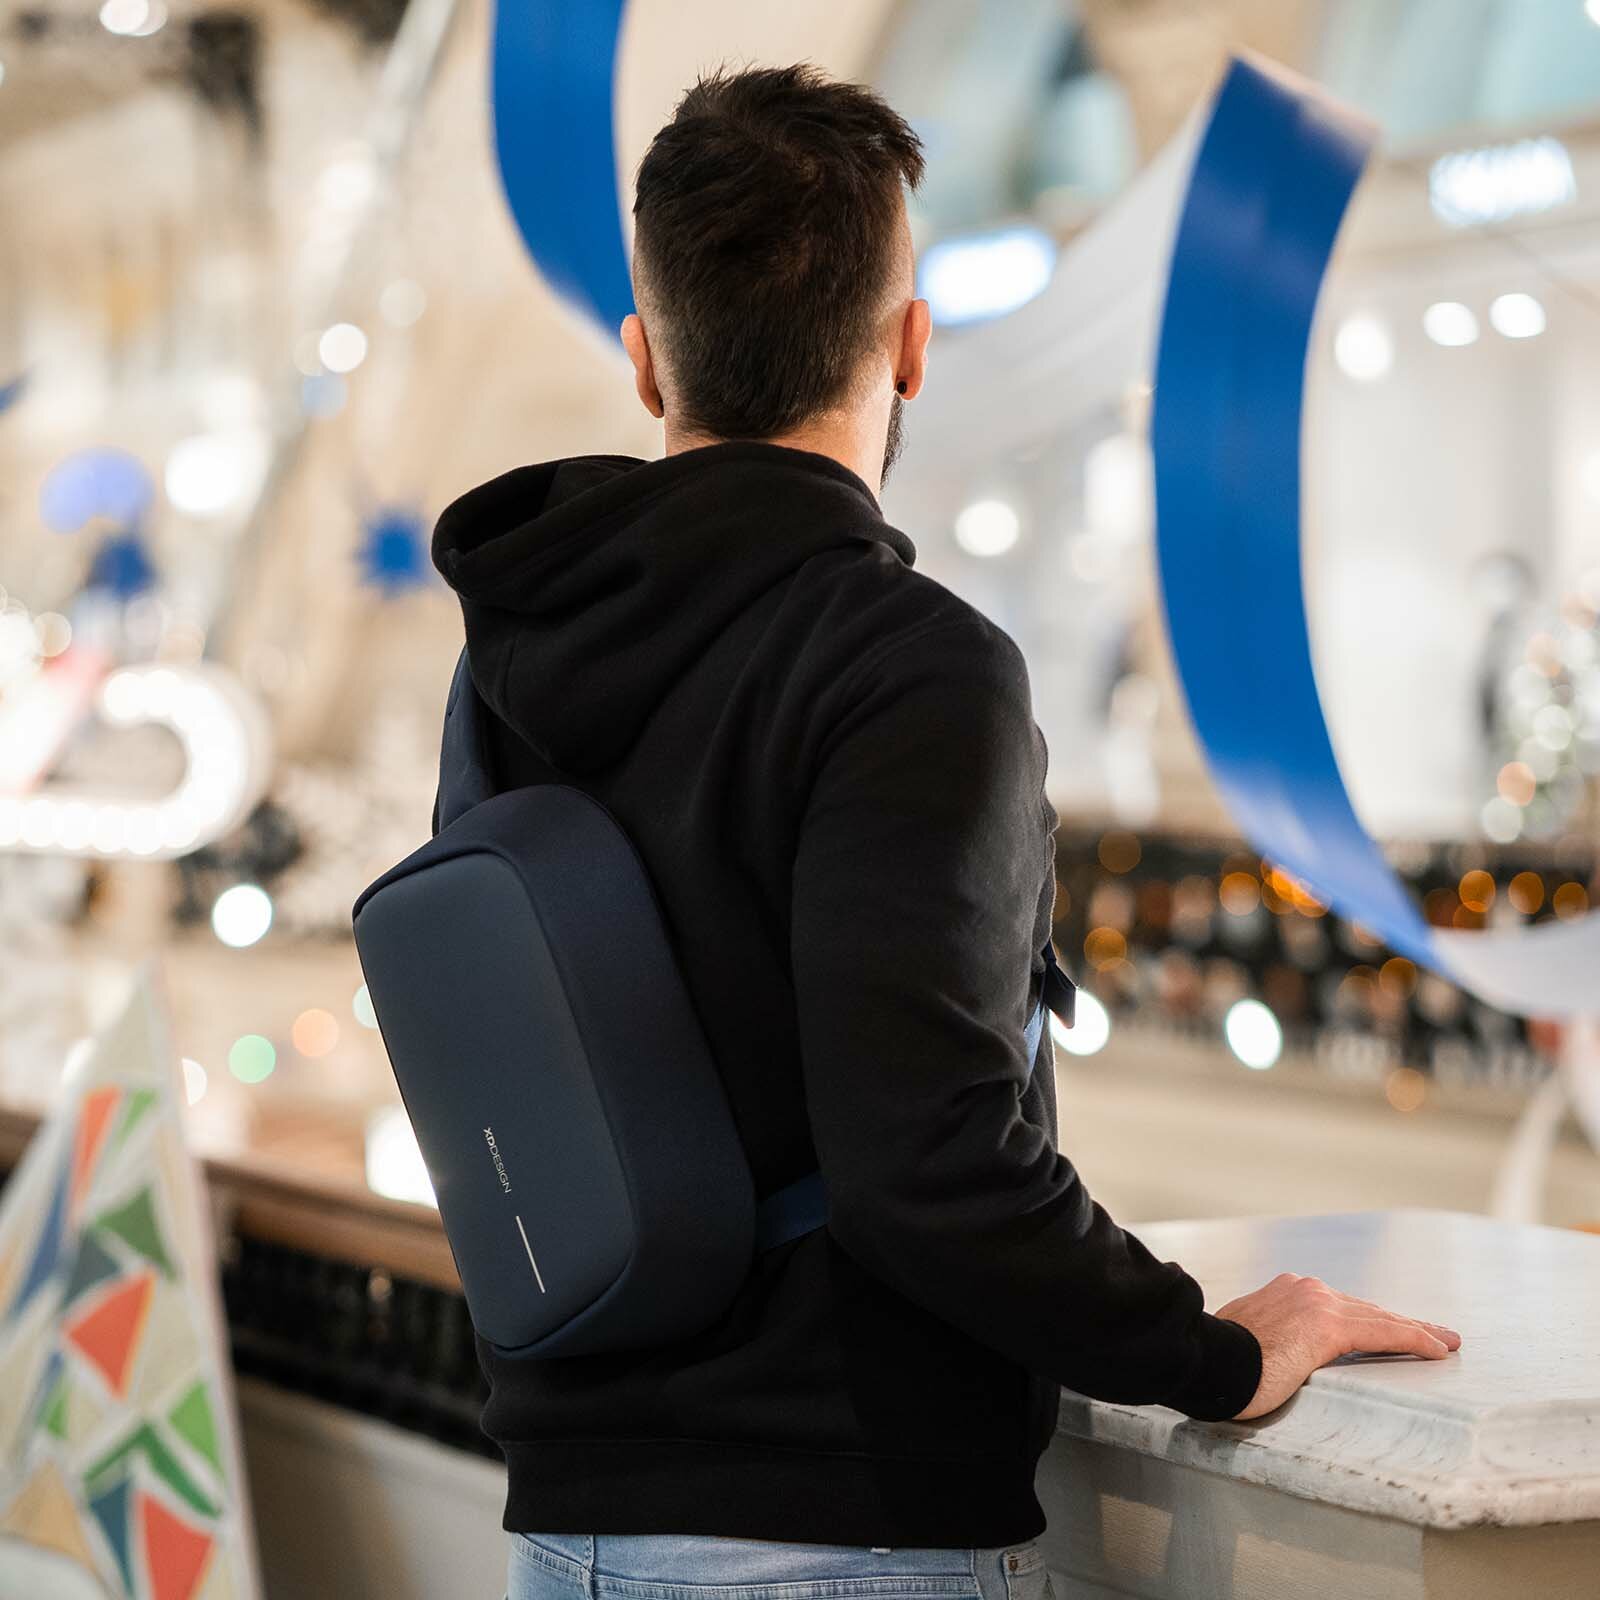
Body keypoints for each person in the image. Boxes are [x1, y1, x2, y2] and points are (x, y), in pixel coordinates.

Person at [428, 62, 1462, 1600]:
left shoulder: (509, 653)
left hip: (567, 1525)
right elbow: (930, 1163)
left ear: (646, 361)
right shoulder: (908, 667)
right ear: (912, 346)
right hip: (831, 1524)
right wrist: (1214, 1352)